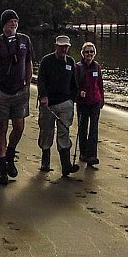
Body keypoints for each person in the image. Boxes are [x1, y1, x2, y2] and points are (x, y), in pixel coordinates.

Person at [0, 9, 33, 186]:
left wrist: (28, 84)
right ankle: (1, 166)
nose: (14, 23)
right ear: (4, 23)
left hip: (20, 91)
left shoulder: (25, 40)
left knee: (19, 127)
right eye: (11, 21)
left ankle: (10, 155)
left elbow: (29, 62)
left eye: (16, 20)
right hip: (1, 91)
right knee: (2, 128)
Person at [36, 35, 80, 176]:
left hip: (65, 103)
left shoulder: (71, 61)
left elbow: (74, 83)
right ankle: (45, 161)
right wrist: (43, 96)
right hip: (48, 104)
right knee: (46, 132)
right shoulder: (46, 61)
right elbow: (41, 80)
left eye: (66, 46)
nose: (64, 49)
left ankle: (66, 165)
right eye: (61, 46)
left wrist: (73, 99)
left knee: (64, 132)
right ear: (55, 46)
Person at [75, 41, 105, 168]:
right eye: (87, 52)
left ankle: (92, 156)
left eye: (91, 52)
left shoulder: (97, 66)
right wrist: (78, 93)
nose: (89, 54)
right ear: (83, 53)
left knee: (94, 129)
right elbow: (73, 85)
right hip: (82, 103)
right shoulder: (78, 67)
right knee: (82, 128)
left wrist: (102, 99)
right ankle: (83, 153)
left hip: (95, 102)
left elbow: (100, 83)